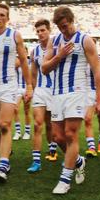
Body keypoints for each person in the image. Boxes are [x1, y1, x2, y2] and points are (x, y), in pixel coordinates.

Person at [41, 6, 100, 194]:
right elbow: (44, 68)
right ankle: (78, 161)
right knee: (58, 137)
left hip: (77, 92)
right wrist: (59, 57)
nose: (63, 29)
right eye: (60, 27)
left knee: (70, 134)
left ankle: (65, 179)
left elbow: (97, 71)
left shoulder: (85, 40)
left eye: (65, 25)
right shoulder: (55, 42)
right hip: (57, 93)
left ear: (71, 20)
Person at [0, 2, 32, 183]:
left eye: (2, 15)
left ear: (7, 19)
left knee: (4, 124)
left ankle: (3, 163)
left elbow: (24, 62)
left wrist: (29, 86)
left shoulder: (15, 35)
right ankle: (5, 157)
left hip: (8, 85)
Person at [26, 19, 58, 173]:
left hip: (56, 91)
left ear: (49, 30)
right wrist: (33, 88)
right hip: (41, 90)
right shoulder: (35, 51)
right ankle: (36, 161)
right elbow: (33, 73)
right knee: (38, 124)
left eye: (43, 30)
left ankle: (53, 149)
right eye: (38, 31)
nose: (40, 33)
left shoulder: (57, 48)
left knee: (52, 124)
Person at [13, 56, 32, 141]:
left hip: (27, 88)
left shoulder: (30, 61)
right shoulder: (16, 61)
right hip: (17, 88)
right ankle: (18, 132)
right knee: (15, 109)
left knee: (27, 110)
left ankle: (27, 132)